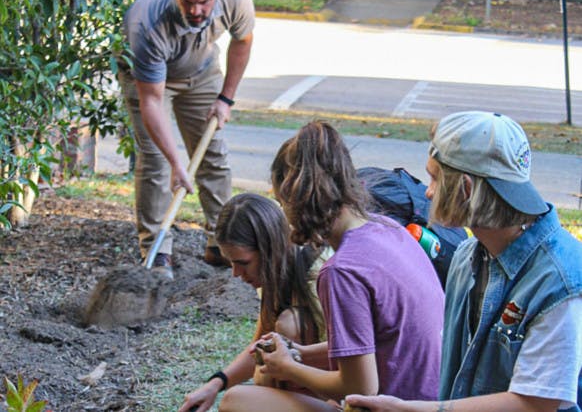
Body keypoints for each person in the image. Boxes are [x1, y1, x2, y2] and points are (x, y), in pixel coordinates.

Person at [345, 111, 582, 412]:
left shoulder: (561, 281)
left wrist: (408, 409)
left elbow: (534, 403)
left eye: (434, 178)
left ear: (466, 189)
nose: (428, 192)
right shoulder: (466, 258)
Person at [218, 121, 444, 412]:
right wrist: (300, 354)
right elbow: (375, 344)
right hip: (432, 401)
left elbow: (361, 387)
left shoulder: (341, 271)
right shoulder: (388, 228)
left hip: (393, 405)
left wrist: (290, 368)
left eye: (281, 201)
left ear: (297, 196)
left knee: (237, 401)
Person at [119, 0, 255, 278]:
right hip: (150, 83)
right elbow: (151, 101)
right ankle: (156, 252)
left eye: (204, 2)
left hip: (203, 72)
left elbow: (243, 41)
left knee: (213, 155)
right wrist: (177, 164)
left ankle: (220, 244)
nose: (196, 10)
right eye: (187, 2)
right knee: (155, 159)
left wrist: (226, 98)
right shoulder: (146, 22)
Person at [178, 193, 328, 412]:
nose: (236, 273)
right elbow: (258, 346)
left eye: (243, 263)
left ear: (268, 249)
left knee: (287, 329)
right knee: (260, 372)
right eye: (231, 263)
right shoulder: (278, 271)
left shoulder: (319, 277)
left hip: (359, 396)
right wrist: (215, 383)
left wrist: (291, 358)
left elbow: (353, 357)